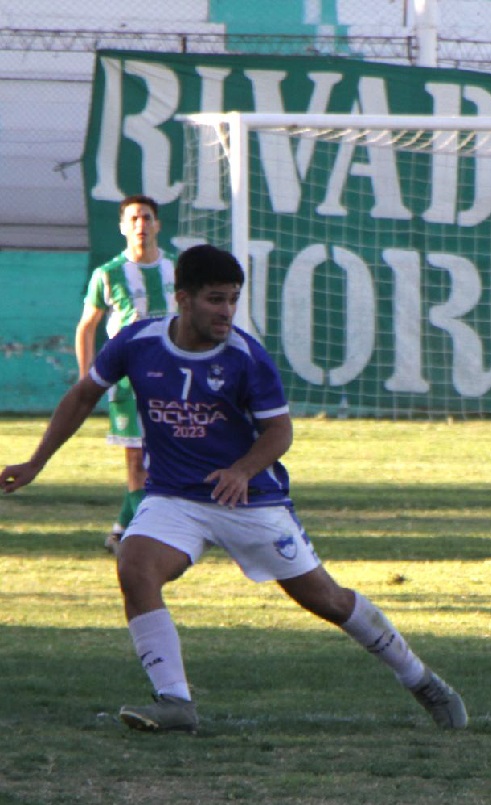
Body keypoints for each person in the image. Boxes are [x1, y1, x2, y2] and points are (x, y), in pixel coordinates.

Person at [3, 244, 467, 734]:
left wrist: (243, 470)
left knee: (326, 600)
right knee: (134, 565)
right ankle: (175, 701)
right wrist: (36, 461)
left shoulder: (246, 357)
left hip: (251, 501)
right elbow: (82, 396)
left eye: (232, 300)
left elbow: (279, 432)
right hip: (174, 497)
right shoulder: (137, 341)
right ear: (183, 298)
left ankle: (423, 681)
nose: (226, 311)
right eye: (215, 299)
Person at [75, 194, 177, 554]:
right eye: (133, 219)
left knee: (165, 459)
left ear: (158, 225)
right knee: (136, 459)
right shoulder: (108, 274)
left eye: (147, 218)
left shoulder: (176, 270)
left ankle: (121, 530)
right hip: (127, 382)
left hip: (172, 378)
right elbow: (87, 327)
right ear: (122, 227)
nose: (141, 226)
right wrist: (85, 376)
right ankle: (145, 538)